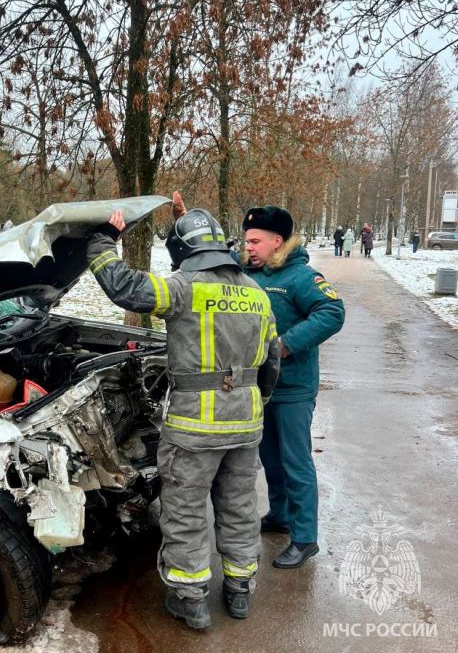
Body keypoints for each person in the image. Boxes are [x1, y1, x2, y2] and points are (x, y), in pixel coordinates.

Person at [86, 193, 280, 628]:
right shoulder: (257, 295)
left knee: (187, 511)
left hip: (194, 429)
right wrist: (256, 403)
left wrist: (102, 243)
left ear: (182, 252)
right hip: (246, 424)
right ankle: (239, 591)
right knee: (239, 506)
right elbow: (273, 360)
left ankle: (190, 601)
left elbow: (125, 289)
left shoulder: (182, 288)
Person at [241, 206, 345, 569]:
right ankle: (280, 515)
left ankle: (304, 538)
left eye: (255, 241)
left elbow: (332, 313)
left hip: (293, 388)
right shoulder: (247, 274)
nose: (249, 247)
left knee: (296, 461)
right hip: (261, 386)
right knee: (269, 457)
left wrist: (284, 344)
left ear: (277, 241)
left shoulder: (301, 276)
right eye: (246, 240)